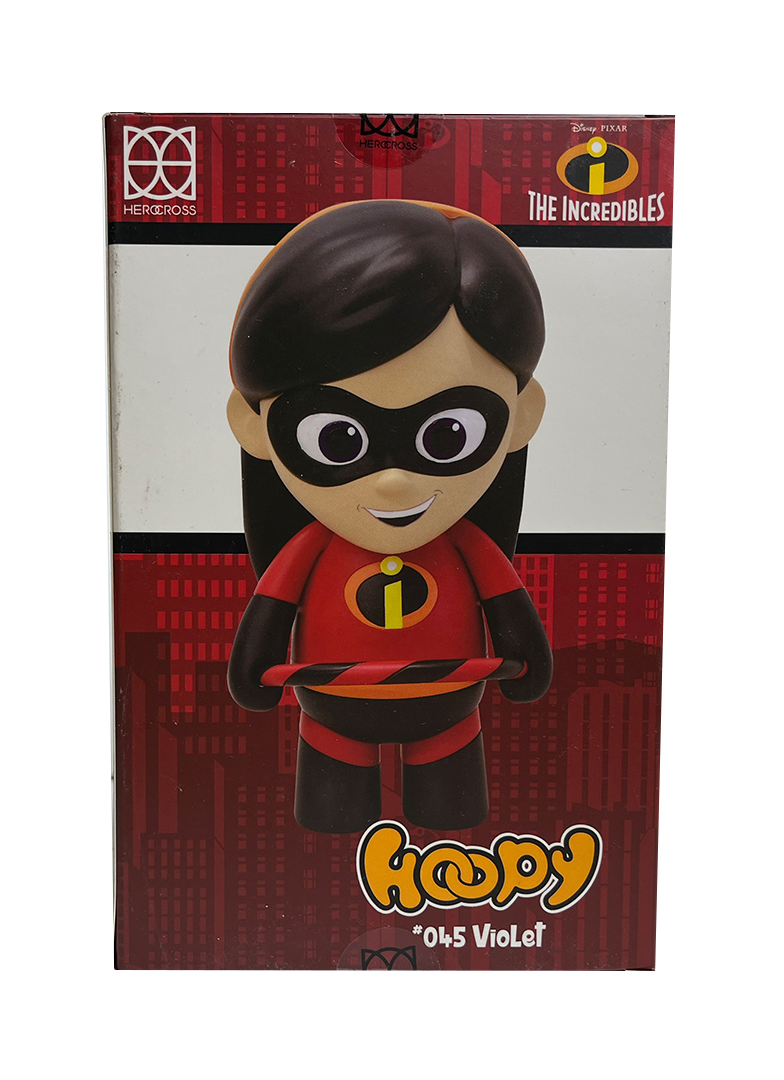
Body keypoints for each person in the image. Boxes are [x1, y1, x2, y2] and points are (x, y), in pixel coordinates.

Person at [225, 199, 552, 833]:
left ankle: (448, 836)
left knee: (454, 816)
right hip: (332, 714)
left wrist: (526, 657)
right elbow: (269, 611)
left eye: (448, 434)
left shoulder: (467, 545)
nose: (396, 481)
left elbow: (508, 607)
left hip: (450, 713)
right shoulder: (311, 548)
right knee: (329, 827)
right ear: (253, 426)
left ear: (521, 416)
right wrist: (253, 666)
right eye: (337, 438)